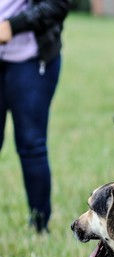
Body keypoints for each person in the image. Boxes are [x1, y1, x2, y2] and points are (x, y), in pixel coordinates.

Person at [0, 0, 70, 233]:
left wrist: (13, 25)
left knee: (31, 144)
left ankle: (39, 226)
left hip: (30, 61)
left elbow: (56, 5)